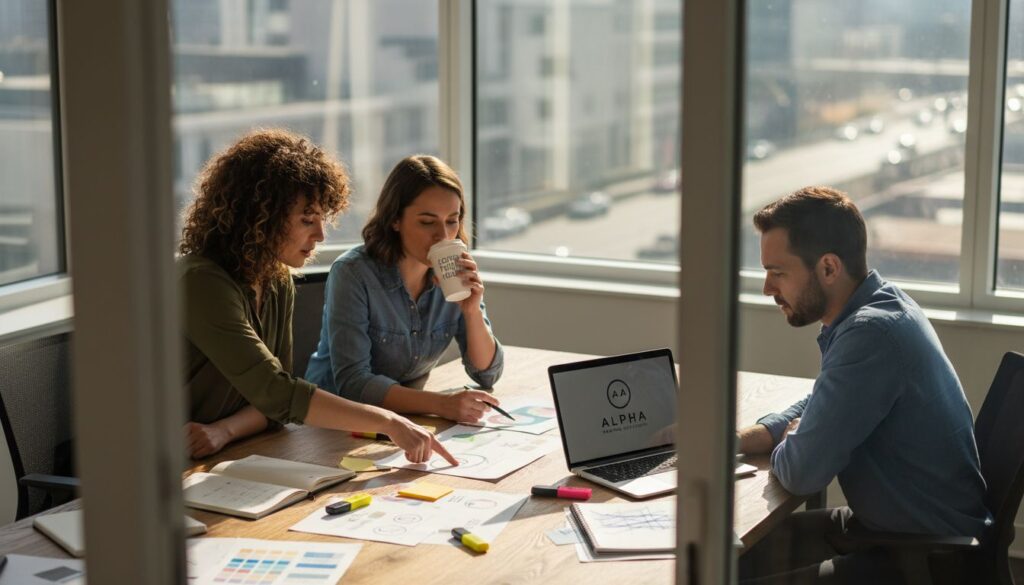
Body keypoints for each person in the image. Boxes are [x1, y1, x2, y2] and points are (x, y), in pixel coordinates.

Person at [736, 186, 989, 584]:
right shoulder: (883, 305)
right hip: (898, 530)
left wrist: (792, 442)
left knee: (726, 566)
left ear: (829, 268)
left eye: (778, 273)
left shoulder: (869, 334)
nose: (768, 288)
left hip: (923, 558)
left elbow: (802, 473)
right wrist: (763, 434)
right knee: (730, 555)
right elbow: (826, 396)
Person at [178, 129, 456, 467]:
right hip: (164, 458)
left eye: (322, 219)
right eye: (307, 220)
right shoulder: (201, 282)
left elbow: (275, 404)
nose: (321, 235)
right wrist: (388, 421)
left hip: (218, 452)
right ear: (259, 219)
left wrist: (223, 430)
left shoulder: (277, 280)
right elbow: (278, 393)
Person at [305, 154, 504, 423]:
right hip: (333, 422)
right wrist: (441, 404)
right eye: (427, 221)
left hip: (405, 419)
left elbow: (487, 374)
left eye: (452, 220)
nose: (443, 236)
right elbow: (353, 384)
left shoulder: (453, 272)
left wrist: (471, 311)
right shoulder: (354, 273)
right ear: (395, 220)